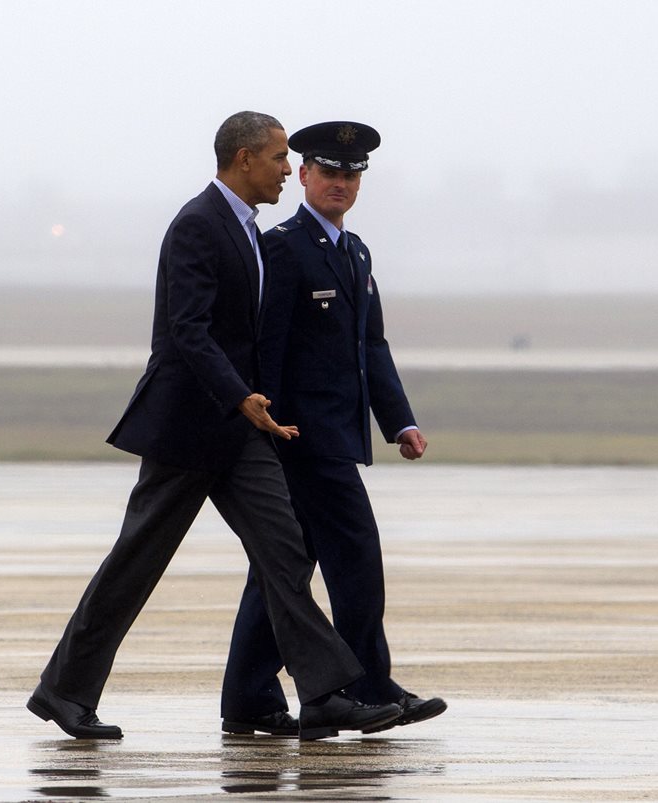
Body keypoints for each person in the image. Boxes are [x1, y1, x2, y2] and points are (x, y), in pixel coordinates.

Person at [26, 112, 402, 741]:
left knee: (284, 554)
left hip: (240, 433)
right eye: (281, 158)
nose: (290, 169)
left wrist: (259, 409)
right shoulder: (198, 224)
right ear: (245, 157)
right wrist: (241, 398)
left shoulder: (247, 229)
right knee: (135, 564)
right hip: (187, 428)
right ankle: (63, 691)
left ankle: (324, 695)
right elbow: (187, 330)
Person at [221, 121, 447, 734]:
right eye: (329, 172)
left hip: (339, 438)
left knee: (283, 570)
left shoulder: (354, 253)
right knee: (356, 561)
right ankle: (369, 683)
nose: (340, 183)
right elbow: (267, 348)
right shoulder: (284, 249)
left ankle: (248, 697)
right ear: (303, 175)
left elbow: (370, 346)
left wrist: (398, 421)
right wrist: (267, 422)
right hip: (299, 441)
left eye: (351, 175)